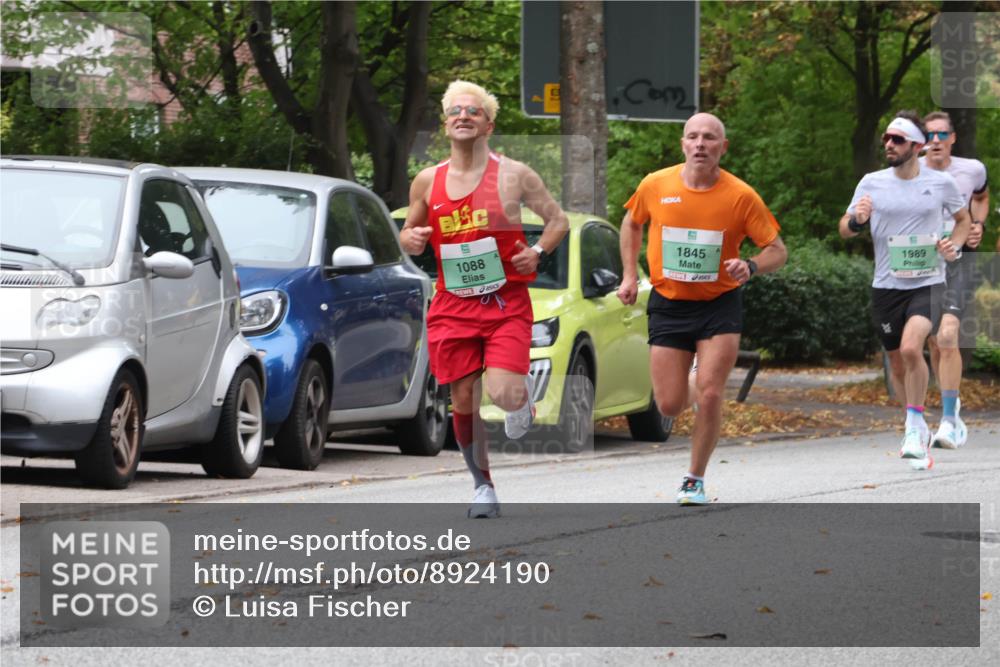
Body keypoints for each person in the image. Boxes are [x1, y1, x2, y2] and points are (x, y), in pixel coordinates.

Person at [399, 80, 568, 518]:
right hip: (452, 305)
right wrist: (412, 238)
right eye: (456, 111)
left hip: (504, 302)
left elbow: (557, 220)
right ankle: (483, 487)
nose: (463, 116)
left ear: (488, 124)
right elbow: (408, 234)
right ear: (445, 123)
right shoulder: (427, 180)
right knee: (464, 400)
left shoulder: (514, 175)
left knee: (504, 394)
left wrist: (538, 252)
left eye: (473, 111)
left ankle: (521, 397)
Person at [618, 112, 787, 505]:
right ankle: (696, 372)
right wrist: (630, 276)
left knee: (711, 395)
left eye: (709, 138)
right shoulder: (655, 184)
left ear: (722, 148)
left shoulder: (741, 196)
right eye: (692, 137)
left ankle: (694, 478)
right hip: (669, 303)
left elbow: (778, 251)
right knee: (670, 404)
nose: (700, 144)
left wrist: (750, 266)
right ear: (682, 144)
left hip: (719, 304)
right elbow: (631, 224)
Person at [840, 111, 971, 470]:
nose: (889, 145)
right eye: (886, 139)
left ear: (916, 145)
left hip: (928, 282)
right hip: (885, 286)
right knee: (897, 360)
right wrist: (857, 220)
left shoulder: (940, 183)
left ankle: (916, 426)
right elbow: (845, 229)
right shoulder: (871, 182)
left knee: (914, 347)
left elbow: (964, 221)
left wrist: (954, 247)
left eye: (897, 140)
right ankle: (912, 423)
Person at [920, 111, 989, 449]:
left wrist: (979, 225)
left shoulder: (972, 169)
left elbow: (981, 196)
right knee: (934, 340)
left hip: (960, 258)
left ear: (952, 138)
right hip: (926, 261)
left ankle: (948, 421)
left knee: (948, 333)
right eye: (929, 135)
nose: (935, 141)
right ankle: (951, 403)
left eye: (941, 134)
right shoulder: (910, 171)